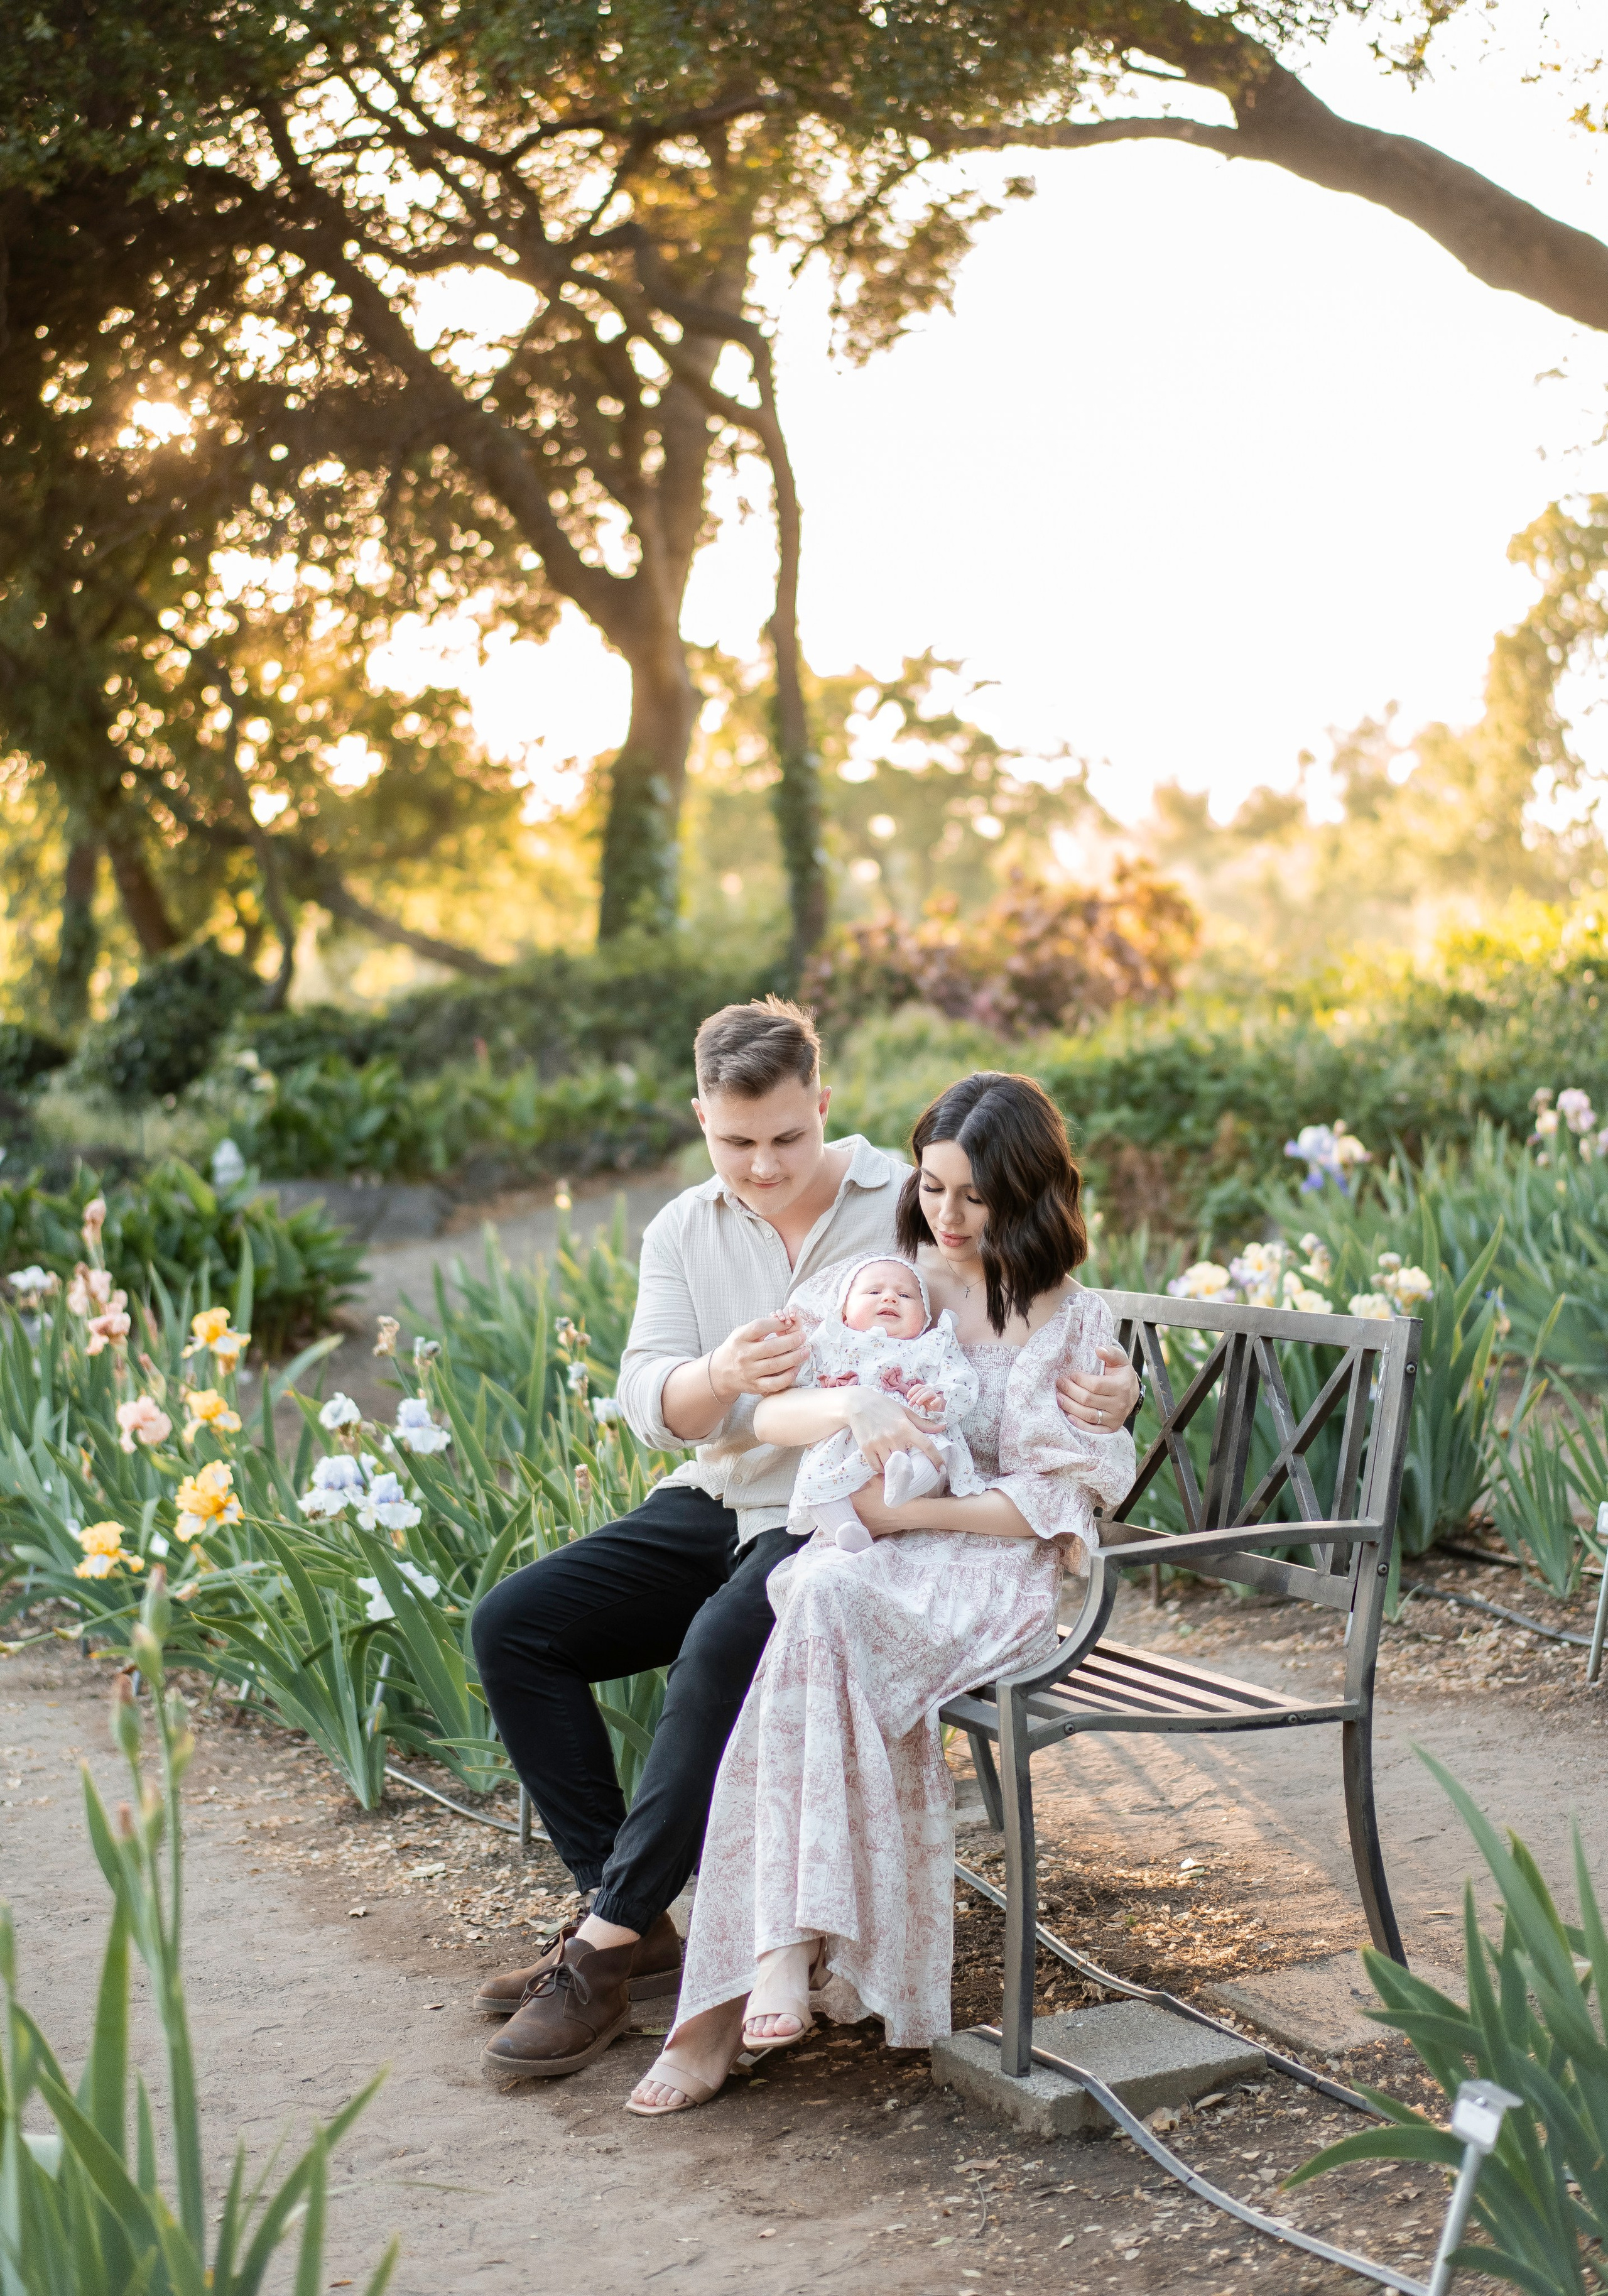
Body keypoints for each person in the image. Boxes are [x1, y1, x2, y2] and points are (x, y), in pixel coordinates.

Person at [471, 1002, 1140, 2083]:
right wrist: (723, 1381)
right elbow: (653, 1394)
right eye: (736, 1144)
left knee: (723, 1650)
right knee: (515, 1628)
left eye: (788, 1138)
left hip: (838, 1520)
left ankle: (601, 1952)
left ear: (823, 1108)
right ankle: (634, 1916)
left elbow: (1033, 1315)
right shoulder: (686, 1228)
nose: (764, 1166)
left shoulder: (908, 1210)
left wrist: (1117, 1387)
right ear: (702, 1122)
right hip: (729, 1490)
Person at [626, 1070, 1136, 2117]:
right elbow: (762, 1416)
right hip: (878, 1561)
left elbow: (1053, 1513)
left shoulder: (1071, 1325)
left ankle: (743, 1987)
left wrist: (902, 1516)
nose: (946, 1218)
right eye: (932, 1188)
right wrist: (847, 1403)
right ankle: (775, 1956)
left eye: (975, 1198)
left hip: (992, 1576)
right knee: (816, 1600)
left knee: (821, 1603)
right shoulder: (888, 1284)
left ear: (1031, 1196)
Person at [788, 1254, 981, 1552]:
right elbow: (800, 1377)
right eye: (874, 1292)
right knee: (814, 1480)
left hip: (913, 1439)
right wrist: (788, 1336)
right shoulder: (832, 1342)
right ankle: (847, 1531)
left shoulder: (929, 1346)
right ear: (844, 1313)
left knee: (938, 1453)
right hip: (844, 1445)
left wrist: (939, 1398)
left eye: (905, 1295)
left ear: (925, 1318)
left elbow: (962, 1380)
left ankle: (902, 1487)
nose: (890, 1298)